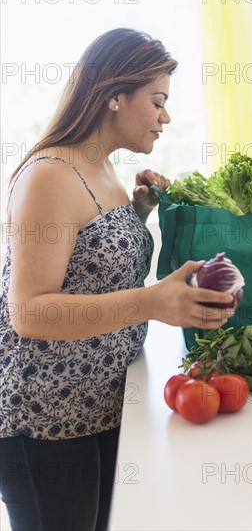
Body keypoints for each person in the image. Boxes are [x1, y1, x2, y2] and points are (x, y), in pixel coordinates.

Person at [0, 28, 234, 531]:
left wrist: (139, 212)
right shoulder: (49, 175)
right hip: (46, 420)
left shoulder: (100, 167)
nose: (165, 116)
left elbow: (88, 267)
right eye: (157, 101)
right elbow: (29, 312)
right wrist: (152, 303)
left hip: (101, 403)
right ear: (113, 97)